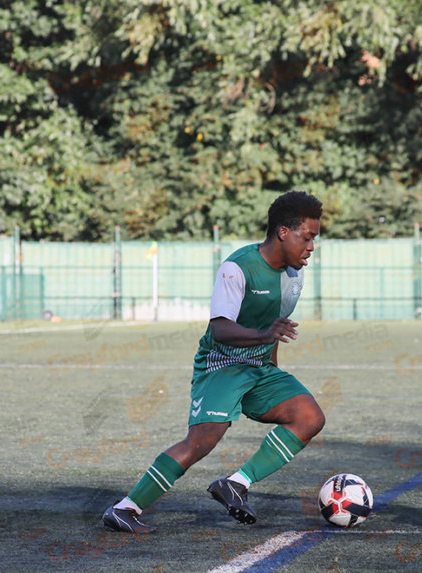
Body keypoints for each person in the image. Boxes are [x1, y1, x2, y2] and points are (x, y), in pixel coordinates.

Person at [103, 191, 326, 533]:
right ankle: (125, 508)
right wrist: (265, 336)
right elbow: (220, 329)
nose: (311, 247)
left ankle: (236, 484)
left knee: (309, 417)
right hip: (222, 365)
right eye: (307, 237)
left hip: (260, 367)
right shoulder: (237, 268)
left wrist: (273, 370)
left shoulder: (295, 275)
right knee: (203, 440)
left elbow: (274, 328)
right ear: (284, 232)